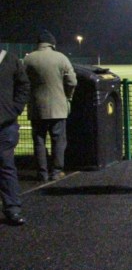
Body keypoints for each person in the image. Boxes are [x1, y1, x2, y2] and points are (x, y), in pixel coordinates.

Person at [24, 30, 77, 182]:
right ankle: (56, 171)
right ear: (52, 44)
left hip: (36, 107)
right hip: (58, 107)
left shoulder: (28, 59)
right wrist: (68, 97)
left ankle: (42, 173)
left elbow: (22, 82)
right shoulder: (61, 58)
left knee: (39, 140)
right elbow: (72, 81)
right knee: (58, 140)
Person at [0, 47, 30, 226]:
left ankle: (12, 208)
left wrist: (14, 109)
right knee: (6, 167)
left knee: (6, 166)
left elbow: (24, 85)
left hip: (5, 124)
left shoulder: (10, 60)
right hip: (7, 122)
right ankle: (12, 209)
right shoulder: (10, 59)